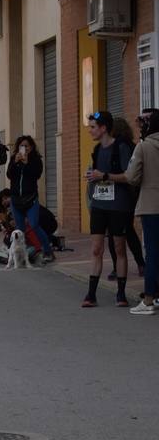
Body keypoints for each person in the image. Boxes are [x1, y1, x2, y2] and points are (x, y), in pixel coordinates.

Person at [83, 111, 134, 307]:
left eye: (93, 127)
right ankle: (91, 294)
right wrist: (93, 177)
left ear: (104, 128)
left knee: (119, 248)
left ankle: (121, 294)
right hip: (99, 205)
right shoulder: (96, 150)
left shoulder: (121, 147)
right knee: (96, 249)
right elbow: (97, 174)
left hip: (118, 206)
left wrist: (103, 175)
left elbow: (129, 176)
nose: (90, 131)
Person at [126, 108, 159, 315]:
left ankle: (148, 299)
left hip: (151, 205)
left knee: (153, 253)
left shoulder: (143, 147)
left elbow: (132, 176)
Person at [6, 135, 55, 267]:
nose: (24, 148)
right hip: (16, 199)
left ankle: (47, 251)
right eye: (22, 146)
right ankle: (21, 254)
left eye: (27, 146)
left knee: (34, 224)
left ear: (32, 147)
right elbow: (9, 175)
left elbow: (36, 174)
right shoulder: (14, 159)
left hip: (30, 198)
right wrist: (16, 162)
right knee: (20, 229)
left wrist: (27, 163)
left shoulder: (36, 160)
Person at [108, 117, 145, 280]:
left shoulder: (119, 146)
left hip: (119, 194)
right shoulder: (132, 145)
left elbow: (125, 172)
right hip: (132, 195)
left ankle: (117, 267)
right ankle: (141, 264)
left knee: (114, 232)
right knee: (128, 230)